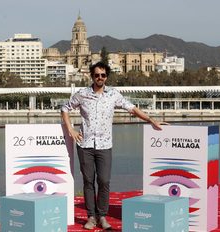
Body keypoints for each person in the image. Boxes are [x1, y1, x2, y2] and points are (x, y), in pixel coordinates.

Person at [61, 62, 169, 230]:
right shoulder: (82, 94)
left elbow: (132, 108)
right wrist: (71, 130)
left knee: (104, 181)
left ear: (106, 77)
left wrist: (151, 120)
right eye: (97, 75)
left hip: (105, 145)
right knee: (88, 181)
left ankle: (102, 216)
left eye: (103, 75)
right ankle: (91, 217)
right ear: (92, 76)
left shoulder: (113, 94)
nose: (100, 78)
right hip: (85, 145)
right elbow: (65, 109)